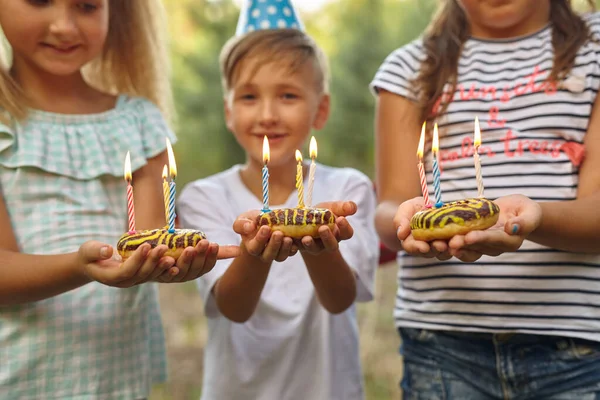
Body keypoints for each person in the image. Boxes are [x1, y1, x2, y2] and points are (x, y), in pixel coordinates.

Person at [0, 1, 237, 398]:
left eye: (87, 6)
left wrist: (171, 259)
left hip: (116, 378)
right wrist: (81, 266)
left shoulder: (139, 123)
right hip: (19, 377)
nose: (63, 25)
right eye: (39, 0)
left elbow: (149, 242)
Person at [371, 0, 600, 398]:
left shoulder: (594, 49)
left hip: (576, 346)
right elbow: (389, 206)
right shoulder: (409, 69)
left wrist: (536, 218)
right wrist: (407, 222)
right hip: (442, 344)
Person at [177, 1, 379, 399]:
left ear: (320, 110)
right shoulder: (202, 198)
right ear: (228, 112)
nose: (267, 114)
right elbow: (234, 307)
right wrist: (255, 251)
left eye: (287, 95)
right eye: (249, 97)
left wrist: (318, 242)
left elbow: (339, 300)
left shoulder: (347, 192)